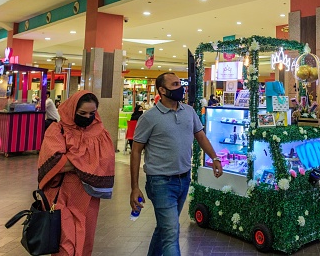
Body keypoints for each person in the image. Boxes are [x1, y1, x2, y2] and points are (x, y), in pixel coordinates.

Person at [130, 73, 223, 256]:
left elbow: (201, 136)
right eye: (174, 84)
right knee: (172, 232)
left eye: (180, 83)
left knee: (165, 228)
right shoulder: (149, 117)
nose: (180, 87)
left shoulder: (188, 111)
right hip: (160, 182)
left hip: (184, 178)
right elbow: (136, 150)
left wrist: (214, 157)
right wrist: (134, 187)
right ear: (162, 90)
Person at [38, 91, 115, 256]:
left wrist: (72, 159)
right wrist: (90, 161)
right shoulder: (57, 129)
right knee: (64, 245)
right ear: (72, 110)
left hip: (87, 197)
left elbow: (106, 162)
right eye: (82, 113)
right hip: (61, 195)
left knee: (86, 241)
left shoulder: (100, 133)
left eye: (91, 113)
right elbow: (56, 162)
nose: (87, 117)